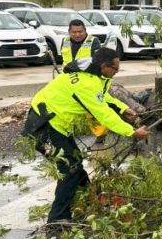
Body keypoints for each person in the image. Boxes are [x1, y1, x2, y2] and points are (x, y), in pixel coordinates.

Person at [21, 48, 148, 227]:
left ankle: (89, 198)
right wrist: (132, 132)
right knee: (69, 170)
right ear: (104, 66)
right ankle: (57, 218)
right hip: (44, 125)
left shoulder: (91, 70)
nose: (116, 72)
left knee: (75, 161)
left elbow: (102, 97)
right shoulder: (85, 85)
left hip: (57, 123)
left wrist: (122, 108)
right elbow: (103, 114)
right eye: (115, 69)